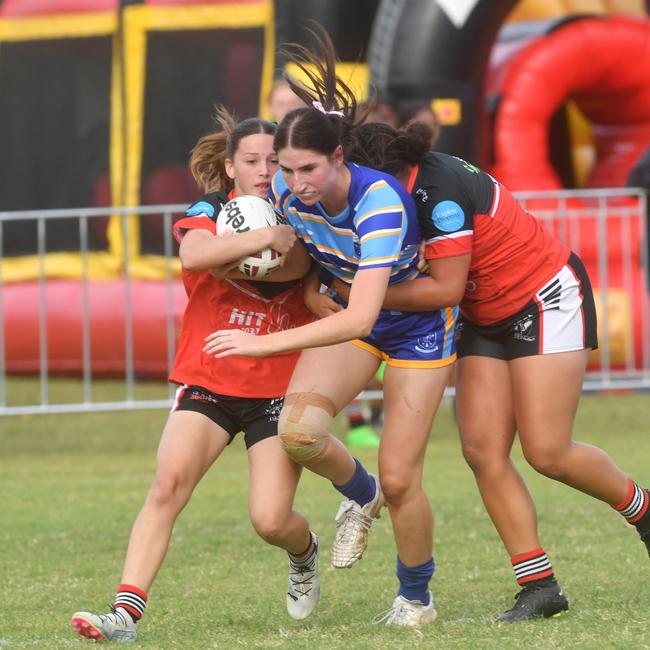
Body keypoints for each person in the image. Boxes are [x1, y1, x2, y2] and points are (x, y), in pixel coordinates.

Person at [334, 119, 650, 622]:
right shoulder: (394, 189)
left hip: (543, 296)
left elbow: (444, 290)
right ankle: (539, 585)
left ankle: (644, 511)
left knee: (548, 451)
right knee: (482, 450)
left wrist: (355, 297)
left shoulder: (437, 194)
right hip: (485, 314)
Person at [203, 28, 458, 627]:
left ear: (339, 158)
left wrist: (262, 341)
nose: (296, 183)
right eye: (286, 171)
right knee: (298, 432)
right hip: (357, 323)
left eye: (308, 168)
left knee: (403, 478)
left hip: (414, 328)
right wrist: (269, 261)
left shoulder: (381, 202)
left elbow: (364, 313)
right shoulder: (293, 202)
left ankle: (415, 598)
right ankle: (360, 495)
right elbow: (311, 265)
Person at [71, 107, 320, 643]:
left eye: (274, 161)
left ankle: (305, 552)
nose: (263, 170)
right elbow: (194, 251)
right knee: (167, 487)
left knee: (271, 522)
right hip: (209, 377)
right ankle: (125, 616)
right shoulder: (210, 208)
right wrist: (258, 242)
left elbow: (297, 267)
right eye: (251, 160)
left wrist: (261, 247)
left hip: (277, 385)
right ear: (230, 167)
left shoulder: (304, 211)